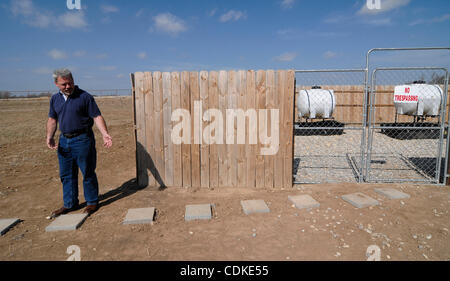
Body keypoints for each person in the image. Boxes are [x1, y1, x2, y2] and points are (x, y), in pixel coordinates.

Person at [46, 68, 112, 218]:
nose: (68, 86)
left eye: (70, 83)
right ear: (56, 84)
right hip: (64, 141)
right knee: (66, 174)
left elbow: (96, 116)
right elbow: (52, 119)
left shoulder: (85, 97)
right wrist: (49, 136)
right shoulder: (54, 99)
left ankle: (92, 202)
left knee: (87, 172)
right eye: (64, 84)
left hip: (82, 140)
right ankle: (70, 204)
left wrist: (105, 134)